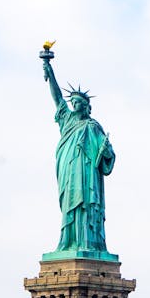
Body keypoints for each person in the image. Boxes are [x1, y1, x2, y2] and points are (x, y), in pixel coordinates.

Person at [42, 58, 115, 252]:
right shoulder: (67, 121)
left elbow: (107, 155)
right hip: (69, 172)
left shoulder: (93, 127)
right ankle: (68, 241)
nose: (75, 105)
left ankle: (89, 243)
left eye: (78, 103)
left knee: (87, 206)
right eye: (73, 102)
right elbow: (57, 99)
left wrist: (106, 151)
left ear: (86, 106)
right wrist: (50, 72)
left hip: (87, 175)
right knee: (70, 206)